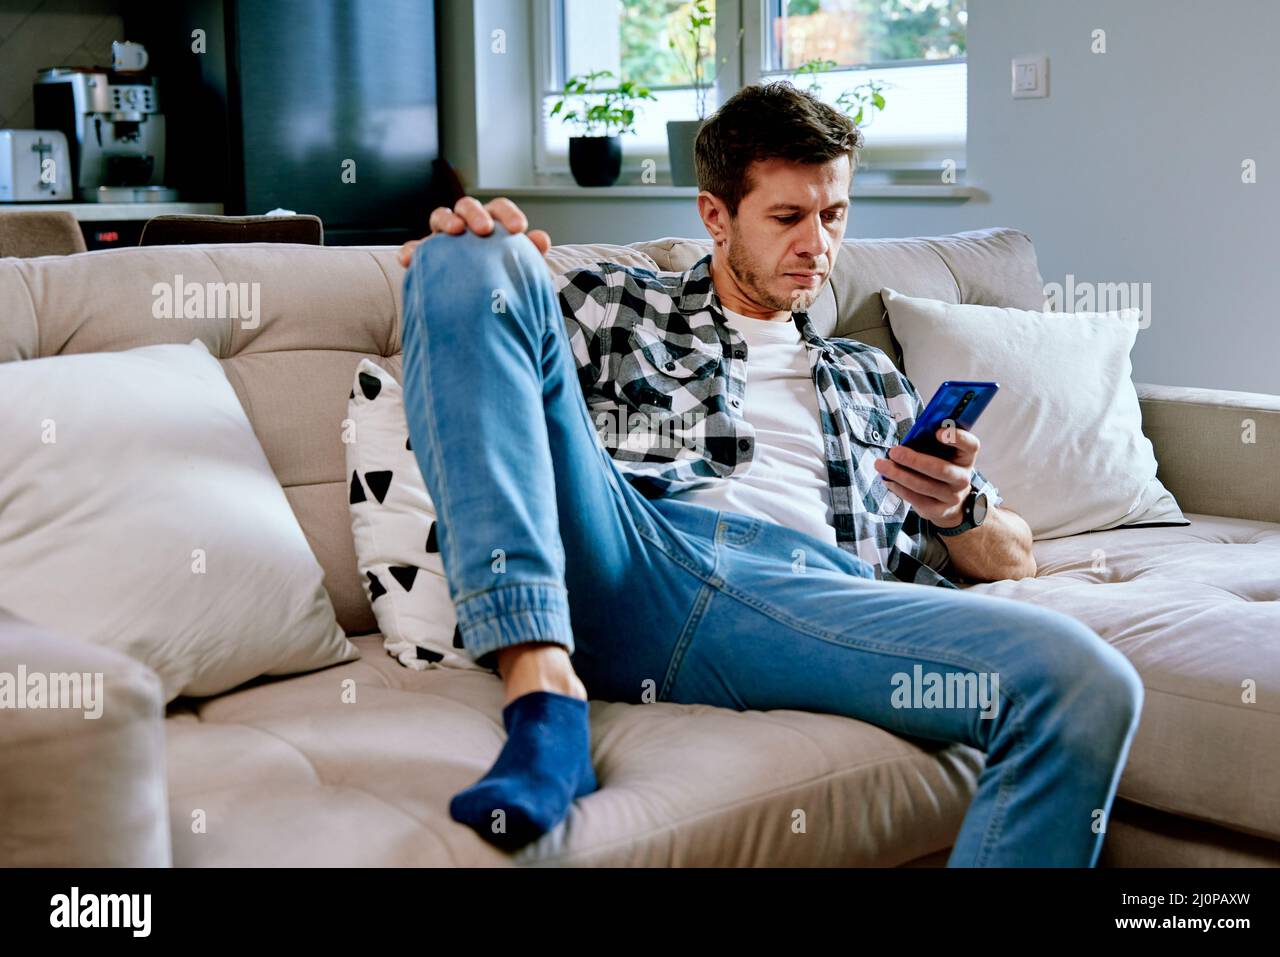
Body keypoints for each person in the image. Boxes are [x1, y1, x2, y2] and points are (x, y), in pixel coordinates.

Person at [395, 81, 1143, 864]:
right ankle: (543, 695)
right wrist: (464, 267)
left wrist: (957, 508)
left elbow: (1013, 553)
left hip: (805, 604)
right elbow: (486, 355)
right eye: (787, 217)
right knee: (469, 252)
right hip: (631, 553)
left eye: (834, 215)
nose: (817, 243)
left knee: (1085, 682)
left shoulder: (868, 375)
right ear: (715, 216)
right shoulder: (617, 304)